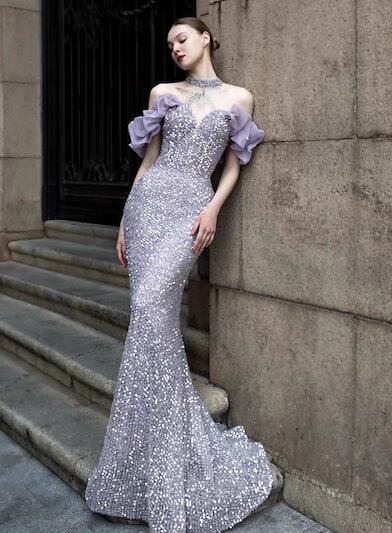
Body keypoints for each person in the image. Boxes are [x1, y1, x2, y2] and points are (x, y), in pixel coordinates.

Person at [84, 16, 274, 533]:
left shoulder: (239, 97)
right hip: (149, 208)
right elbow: (149, 161)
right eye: (169, 43)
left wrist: (213, 209)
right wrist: (125, 218)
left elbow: (234, 164)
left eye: (181, 39)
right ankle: (148, 462)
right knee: (151, 318)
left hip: (192, 207)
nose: (174, 48)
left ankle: (167, 456)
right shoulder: (163, 93)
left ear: (206, 38)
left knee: (151, 311)